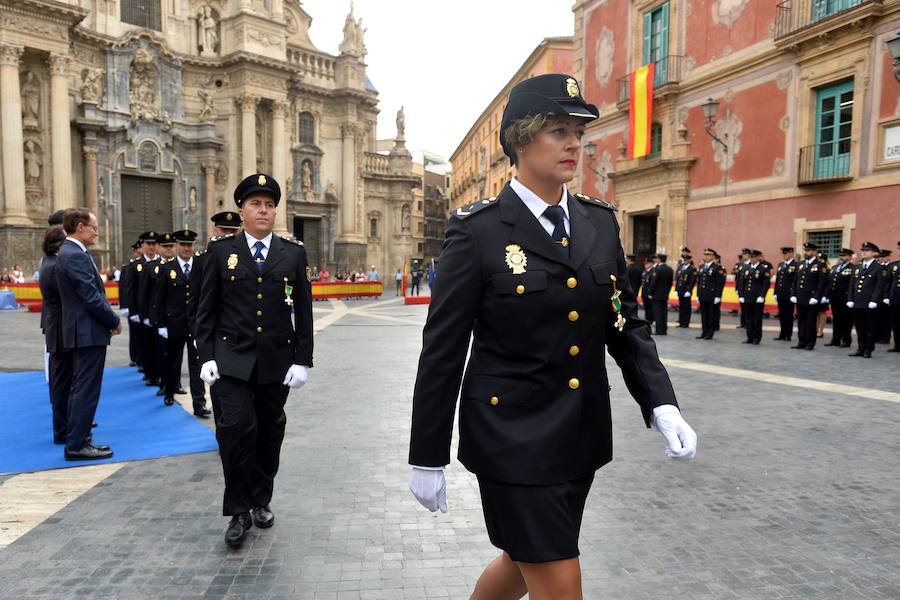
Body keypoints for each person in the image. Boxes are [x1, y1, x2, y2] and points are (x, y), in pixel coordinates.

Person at [408, 74, 696, 600]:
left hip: (578, 435)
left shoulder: (598, 223)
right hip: (510, 438)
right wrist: (427, 452)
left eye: (578, 132)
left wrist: (661, 403)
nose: (573, 144)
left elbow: (623, 323)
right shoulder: (478, 230)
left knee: (522, 563)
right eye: (557, 130)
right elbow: (442, 353)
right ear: (520, 139)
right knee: (560, 583)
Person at [196, 173, 314, 549]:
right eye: (255, 204)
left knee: (269, 430)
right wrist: (206, 356)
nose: (263, 210)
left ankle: (261, 498)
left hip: (275, 362)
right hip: (231, 360)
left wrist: (302, 359)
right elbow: (206, 311)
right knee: (235, 430)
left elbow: (305, 311)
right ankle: (238, 509)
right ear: (242, 212)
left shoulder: (292, 253)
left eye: (268, 204)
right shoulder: (218, 253)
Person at [55, 208, 121, 460]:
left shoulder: (71, 252)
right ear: (80, 227)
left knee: (81, 387)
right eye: (93, 227)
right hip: (87, 331)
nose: (96, 232)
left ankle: (78, 437)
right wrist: (113, 319)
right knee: (86, 388)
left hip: (82, 330)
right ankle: (77, 444)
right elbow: (91, 296)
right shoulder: (75, 255)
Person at [154, 230, 210, 417]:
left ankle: (199, 404)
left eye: (190, 245)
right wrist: (160, 324)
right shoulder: (166, 268)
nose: (187, 248)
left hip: (195, 325)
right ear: (177, 246)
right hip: (173, 323)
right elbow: (159, 299)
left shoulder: (201, 266)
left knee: (197, 365)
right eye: (183, 245)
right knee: (172, 361)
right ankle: (169, 392)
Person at [39, 226, 71, 445]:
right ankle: (62, 430)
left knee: (62, 383)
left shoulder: (48, 263)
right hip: (61, 330)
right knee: (61, 384)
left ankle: (64, 426)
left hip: (57, 329)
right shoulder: (53, 267)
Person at [132, 232, 160, 387]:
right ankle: (150, 373)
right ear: (142, 245)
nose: (151, 247)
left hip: (160, 312)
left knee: (160, 347)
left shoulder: (161, 264)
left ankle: (160, 375)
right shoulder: (136, 265)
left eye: (154, 244)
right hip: (145, 312)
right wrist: (137, 312)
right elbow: (135, 291)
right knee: (147, 344)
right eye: (148, 244)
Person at [848, 242, 886, 358]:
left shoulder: (879, 268)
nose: (863, 252)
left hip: (870, 303)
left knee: (870, 327)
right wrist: (850, 299)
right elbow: (852, 285)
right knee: (859, 327)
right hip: (858, 302)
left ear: (874, 253)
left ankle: (868, 349)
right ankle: (860, 347)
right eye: (863, 250)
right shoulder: (858, 267)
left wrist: (875, 300)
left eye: (867, 250)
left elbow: (880, 286)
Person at [791, 242, 829, 351]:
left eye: (808, 251)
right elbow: (795, 281)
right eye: (805, 250)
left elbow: (822, 283)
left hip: (811, 298)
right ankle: (801, 341)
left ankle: (810, 342)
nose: (806, 253)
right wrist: (794, 294)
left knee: (811, 322)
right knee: (801, 321)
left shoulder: (820, 264)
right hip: (800, 297)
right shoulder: (801, 264)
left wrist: (816, 297)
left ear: (814, 252)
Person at [118, 242, 143, 368]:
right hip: (132, 306)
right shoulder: (128, 267)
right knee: (134, 334)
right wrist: (124, 306)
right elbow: (124, 288)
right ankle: (134, 357)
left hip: (143, 307)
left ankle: (141, 358)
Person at [825, 248, 854, 348]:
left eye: (844, 255)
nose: (842, 257)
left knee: (846, 320)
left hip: (845, 298)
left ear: (850, 257)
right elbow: (830, 282)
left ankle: (846, 340)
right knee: (836, 320)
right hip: (835, 298)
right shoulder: (835, 267)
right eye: (841, 255)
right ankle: (835, 339)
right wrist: (827, 295)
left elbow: (852, 284)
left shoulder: (852, 268)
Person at [741, 250, 771, 345]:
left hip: (757, 297)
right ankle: (749, 337)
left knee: (757, 319)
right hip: (747, 296)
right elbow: (742, 282)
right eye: (751, 257)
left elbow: (766, 283)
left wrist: (762, 295)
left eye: (754, 257)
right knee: (748, 318)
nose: (752, 259)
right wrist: (741, 295)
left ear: (758, 257)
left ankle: (757, 337)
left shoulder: (763, 269)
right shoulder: (746, 267)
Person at [696, 248, 725, 340]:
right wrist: (698, 294)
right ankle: (704, 332)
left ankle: (709, 333)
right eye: (705, 255)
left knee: (711, 315)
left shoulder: (717, 268)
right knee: (704, 315)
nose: (706, 257)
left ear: (713, 257)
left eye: (708, 255)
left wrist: (718, 296)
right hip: (703, 294)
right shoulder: (702, 267)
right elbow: (699, 282)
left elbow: (720, 283)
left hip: (712, 295)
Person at [773, 246, 797, 341]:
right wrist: (775, 292)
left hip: (789, 294)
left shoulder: (795, 265)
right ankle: (782, 333)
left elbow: (795, 281)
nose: (784, 255)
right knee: (782, 315)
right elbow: (778, 280)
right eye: (783, 253)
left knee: (788, 315)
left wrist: (794, 294)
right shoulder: (781, 265)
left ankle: (788, 334)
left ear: (791, 253)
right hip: (780, 293)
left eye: (786, 253)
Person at [648, 253, 673, 335]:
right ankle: (664, 329)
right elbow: (670, 283)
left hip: (656, 294)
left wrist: (650, 291)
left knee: (658, 313)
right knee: (664, 312)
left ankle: (659, 330)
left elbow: (654, 282)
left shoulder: (657, 269)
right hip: (665, 294)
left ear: (659, 259)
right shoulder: (670, 269)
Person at [675, 252, 696, 328]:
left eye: (686, 260)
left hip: (686, 290)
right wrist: (676, 289)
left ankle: (686, 323)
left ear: (689, 260)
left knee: (686, 307)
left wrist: (689, 290)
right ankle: (681, 321)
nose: (685, 261)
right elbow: (678, 279)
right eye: (684, 259)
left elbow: (692, 281)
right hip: (680, 290)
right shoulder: (681, 267)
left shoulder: (692, 269)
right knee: (681, 306)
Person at [886, 242, 900, 352]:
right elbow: (888, 283)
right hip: (895, 298)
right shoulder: (894, 265)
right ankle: (897, 345)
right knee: (895, 323)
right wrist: (887, 296)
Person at [640, 257, 654, 326]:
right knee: (646, 306)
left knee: (650, 307)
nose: (645, 265)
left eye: (647, 263)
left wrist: (650, 292)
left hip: (649, 292)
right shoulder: (645, 271)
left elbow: (652, 283)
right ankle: (646, 318)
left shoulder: (653, 272)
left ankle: (650, 319)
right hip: (644, 292)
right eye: (645, 264)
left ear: (651, 264)